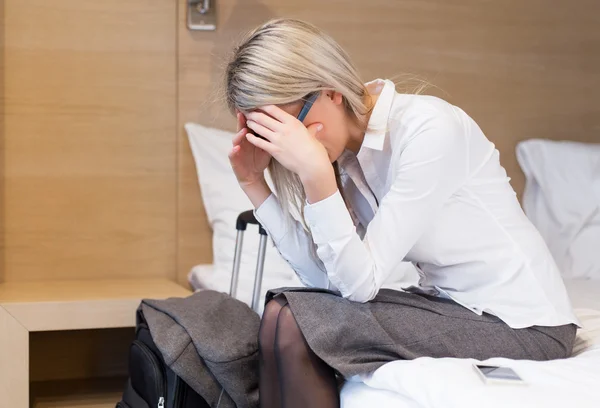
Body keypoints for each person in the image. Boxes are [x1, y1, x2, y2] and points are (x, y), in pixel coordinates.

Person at [225, 18, 579, 408]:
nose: (290, 148)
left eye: (289, 128)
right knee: (284, 309)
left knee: (293, 318)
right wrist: (255, 185)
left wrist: (315, 176)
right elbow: (330, 286)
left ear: (330, 92)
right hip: (451, 306)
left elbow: (359, 286)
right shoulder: (346, 161)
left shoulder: (429, 130)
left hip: (524, 324)